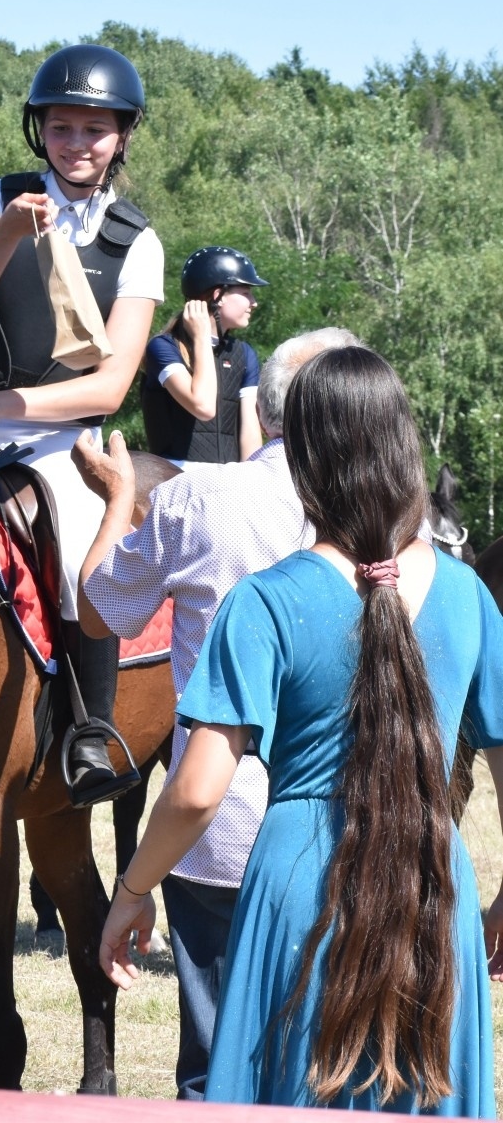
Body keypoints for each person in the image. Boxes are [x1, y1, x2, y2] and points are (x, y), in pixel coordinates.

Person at [98, 346, 503, 1116]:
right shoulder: (468, 597)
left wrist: (132, 890)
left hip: (298, 889)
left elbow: (196, 792)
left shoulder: (263, 603)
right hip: (434, 885)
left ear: (303, 460)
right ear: (403, 447)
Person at [74, 326, 359, 1099]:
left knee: (215, 1074)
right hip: (355, 835)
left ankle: (78, 731)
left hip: (220, 832)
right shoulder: (390, 517)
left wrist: (120, 500)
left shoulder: (197, 497)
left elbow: (99, 611)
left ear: (264, 414)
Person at [0, 44, 164, 808]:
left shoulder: (137, 243)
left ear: (121, 136)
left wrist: (2, 407)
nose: (76, 144)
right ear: (40, 131)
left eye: (94, 130)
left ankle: (90, 730)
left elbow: (111, 383)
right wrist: (5, 233)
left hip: (58, 434)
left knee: (78, 549)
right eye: (61, 128)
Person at [140, 246, 266, 466]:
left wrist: (252, 476)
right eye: (246, 293)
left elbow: (250, 432)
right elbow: (203, 407)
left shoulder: (244, 353)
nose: (254, 302)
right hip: (174, 476)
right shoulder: (163, 347)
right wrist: (201, 337)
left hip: (227, 478)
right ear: (218, 296)